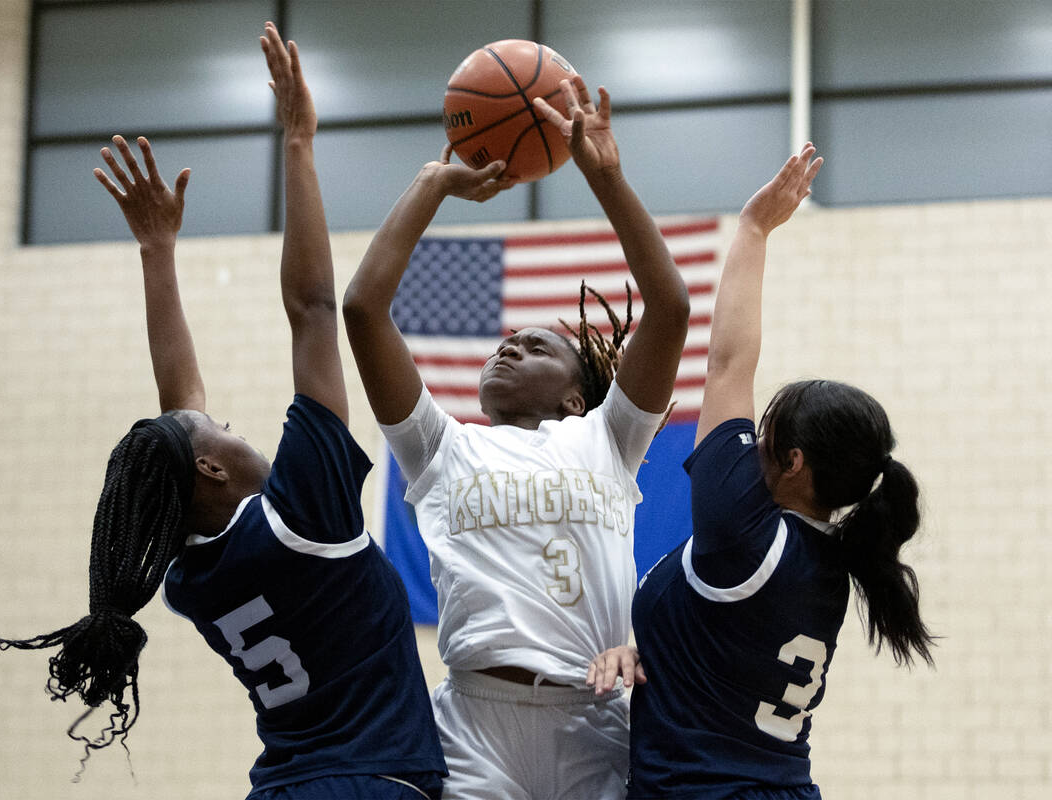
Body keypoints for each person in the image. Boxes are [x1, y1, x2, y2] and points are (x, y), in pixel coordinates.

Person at [0, 23, 446, 800]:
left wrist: (158, 251)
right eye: (226, 427)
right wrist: (298, 144)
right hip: (366, 786)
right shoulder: (301, 518)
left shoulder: (190, 569)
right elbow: (316, 311)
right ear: (211, 466)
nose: (232, 423)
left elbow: (180, 413)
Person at [341, 75, 690, 800]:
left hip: (590, 717)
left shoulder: (607, 437)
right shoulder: (442, 449)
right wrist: (432, 184)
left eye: (533, 346)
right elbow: (363, 308)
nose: (507, 348)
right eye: (505, 343)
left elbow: (671, 305)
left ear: (575, 394)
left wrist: (608, 178)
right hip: (475, 719)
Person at [588, 144, 936, 799]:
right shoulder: (834, 561)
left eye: (766, 432)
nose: (751, 441)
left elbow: (727, 365)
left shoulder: (745, 536)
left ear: (795, 463)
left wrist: (752, 231)